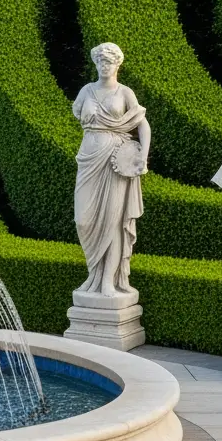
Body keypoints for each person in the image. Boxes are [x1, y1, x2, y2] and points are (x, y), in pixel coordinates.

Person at [72, 42, 150, 298]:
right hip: (89, 159)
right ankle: (93, 274)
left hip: (116, 162)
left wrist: (142, 158)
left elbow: (143, 126)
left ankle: (107, 281)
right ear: (95, 64)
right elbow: (78, 114)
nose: (105, 66)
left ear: (118, 64)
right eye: (101, 62)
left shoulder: (124, 93)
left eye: (109, 62)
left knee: (113, 223)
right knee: (84, 220)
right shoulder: (86, 91)